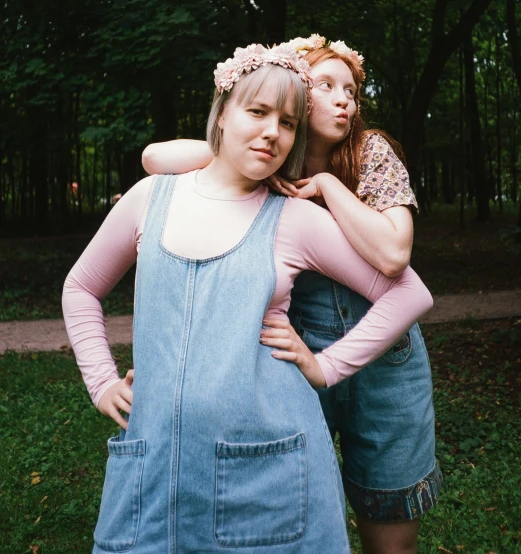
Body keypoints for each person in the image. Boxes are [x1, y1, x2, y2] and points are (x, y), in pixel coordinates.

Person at [64, 42, 433, 554]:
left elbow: (405, 285)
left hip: (277, 457)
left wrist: (326, 365)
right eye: (257, 112)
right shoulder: (152, 197)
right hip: (155, 465)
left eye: (285, 123)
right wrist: (102, 380)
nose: (271, 132)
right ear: (221, 114)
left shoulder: (300, 212)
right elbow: (81, 286)